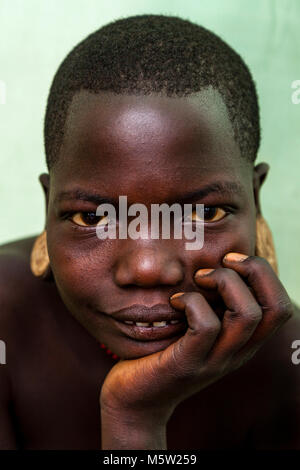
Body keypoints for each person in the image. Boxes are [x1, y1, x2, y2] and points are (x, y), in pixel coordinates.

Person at [0, 14, 299, 450]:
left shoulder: (287, 365)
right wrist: (132, 419)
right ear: (49, 207)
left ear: (256, 201)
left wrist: (134, 417)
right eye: (95, 218)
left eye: (205, 213)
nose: (146, 267)